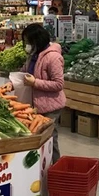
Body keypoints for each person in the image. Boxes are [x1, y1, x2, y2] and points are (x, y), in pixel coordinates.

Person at [22, 24, 66, 163]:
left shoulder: (53, 57)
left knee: (50, 138)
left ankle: (55, 167)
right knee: (40, 138)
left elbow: (59, 84)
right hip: (36, 104)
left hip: (51, 106)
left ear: (37, 40)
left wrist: (35, 82)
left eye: (28, 41)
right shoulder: (34, 54)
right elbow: (25, 72)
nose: (26, 44)